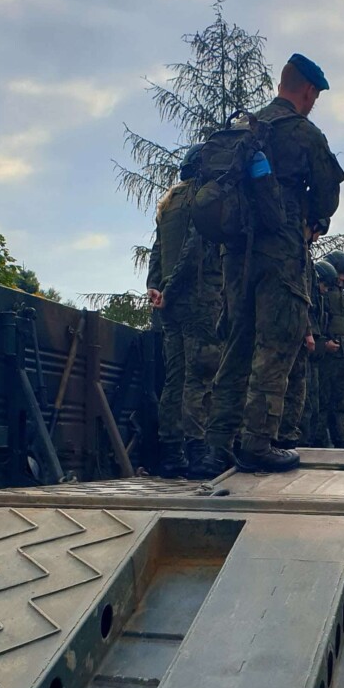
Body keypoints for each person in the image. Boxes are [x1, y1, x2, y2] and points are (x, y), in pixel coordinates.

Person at [193, 54, 344, 478]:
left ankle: (216, 448)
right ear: (308, 91)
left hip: (236, 256)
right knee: (276, 344)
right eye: (315, 96)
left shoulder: (245, 128)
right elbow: (327, 197)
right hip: (281, 253)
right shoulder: (303, 132)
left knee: (237, 344)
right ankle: (257, 444)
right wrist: (310, 219)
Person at [146, 144, 222, 478]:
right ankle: (197, 453)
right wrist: (172, 288)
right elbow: (194, 250)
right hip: (198, 298)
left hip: (170, 304)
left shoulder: (170, 203)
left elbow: (157, 250)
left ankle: (171, 453)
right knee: (200, 377)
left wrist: (156, 287)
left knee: (174, 379)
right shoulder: (200, 199)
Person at [317, 250, 344, 448]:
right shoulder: (321, 294)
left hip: (343, 354)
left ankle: (343, 438)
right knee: (322, 400)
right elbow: (314, 320)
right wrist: (323, 343)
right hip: (326, 355)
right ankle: (319, 441)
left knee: (342, 400)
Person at [299, 258, 337, 446]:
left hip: (314, 363)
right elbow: (308, 340)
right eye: (324, 285)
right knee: (305, 405)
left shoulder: (319, 304)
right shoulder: (308, 305)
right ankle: (302, 443)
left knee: (314, 405)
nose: (325, 290)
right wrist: (324, 346)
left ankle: (310, 442)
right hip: (304, 361)